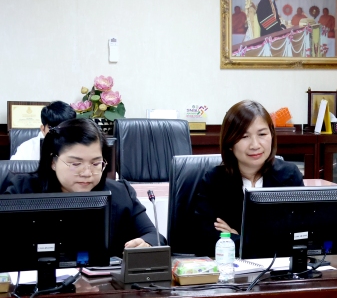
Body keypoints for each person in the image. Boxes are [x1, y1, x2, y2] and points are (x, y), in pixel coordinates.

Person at [3, 119, 160, 254]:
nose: (86, 173)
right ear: (53, 162)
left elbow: (154, 236)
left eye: (96, 163)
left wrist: (146, 243)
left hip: (103, 280)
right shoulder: (21, 190)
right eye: (76, 164)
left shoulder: (120, 193)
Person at [192, 100, 304, 257]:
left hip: (279, 269)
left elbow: (298, 236)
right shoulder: (215, 181)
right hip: (231, 269)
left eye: (262, 134)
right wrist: (266, 241)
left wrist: (237, 238)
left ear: (272, 135)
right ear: (230, 143)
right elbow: (205, 239)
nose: (255, 145)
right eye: (244, 136)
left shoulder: (289, 176)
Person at [11, 101, 76, 161]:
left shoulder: (78, 146)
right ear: (43, 129)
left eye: (64, 128)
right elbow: (12, 168)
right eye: (52, 128)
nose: (59, 133)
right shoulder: (27, 148)